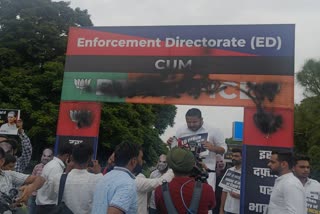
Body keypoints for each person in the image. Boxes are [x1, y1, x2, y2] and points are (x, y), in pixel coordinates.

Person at [167, 108, 227, 190]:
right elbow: (175, 149)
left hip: (206, 171)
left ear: (201, 119)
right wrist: (171, 144)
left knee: (206, 196)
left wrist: (213, 148)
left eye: (194, 122)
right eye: (188, 122)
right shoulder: (181, 130)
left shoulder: (214, 130)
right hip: (185, 172)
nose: (191, 124)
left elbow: (224, 149)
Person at [155, 147, 215, 213]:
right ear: (192, 165)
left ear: (170, 165)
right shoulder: (206, 189)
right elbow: (211, 205)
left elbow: (159, 208)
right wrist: (203, 177)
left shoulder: (159, 191)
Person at [91, 141, 143, 214]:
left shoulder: (105, 177)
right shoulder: (127, 184)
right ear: (133, 161)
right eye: (141, 158)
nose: (142, 161)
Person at [52, 142, 103, 214]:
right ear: (90, 159)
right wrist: (99, 173)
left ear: (71, 157)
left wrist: (66, 171)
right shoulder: (97, 179)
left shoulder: (58, 178)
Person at [35, 142, 73, 213]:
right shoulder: (56, 167)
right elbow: (53, 191)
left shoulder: (53, 164)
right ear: (67, 156)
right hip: (48, 207)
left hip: (44, 205)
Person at [28, 148, 53, 214]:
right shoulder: (37, 167)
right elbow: (31, 180)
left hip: (45, 198)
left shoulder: (53, 169)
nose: (46, 158)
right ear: (41, 156)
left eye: (49, 156)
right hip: (34, 195)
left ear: (52, 157)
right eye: (44, 155)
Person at [219, 148, 242, 214]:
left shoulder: (247, 173)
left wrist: (240, 196)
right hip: (227, 209)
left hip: (239, 210)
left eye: (236, 156)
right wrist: (221, 209)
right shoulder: (229, 171)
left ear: (242, 157)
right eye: (233, 156)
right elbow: (224, 192)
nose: (233, 158)